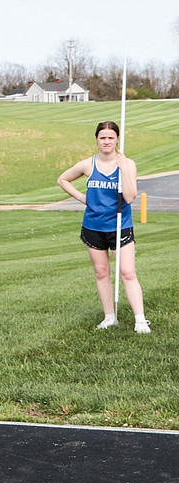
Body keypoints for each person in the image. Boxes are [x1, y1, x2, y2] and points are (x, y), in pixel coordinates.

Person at [57, 120, 151, 334]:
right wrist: (84, 198)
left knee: (127, 272)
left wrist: (124, 170)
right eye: (103, 137)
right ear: (97, 140)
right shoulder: (88, 164)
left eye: (111, 137)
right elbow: (63, 179)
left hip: (120, 225)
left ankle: (140, 320)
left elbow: (130, 196)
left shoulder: (128, 164)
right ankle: (109, 317)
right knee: (101, 272)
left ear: (117, 139)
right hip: (93, 225)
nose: (107, 141)